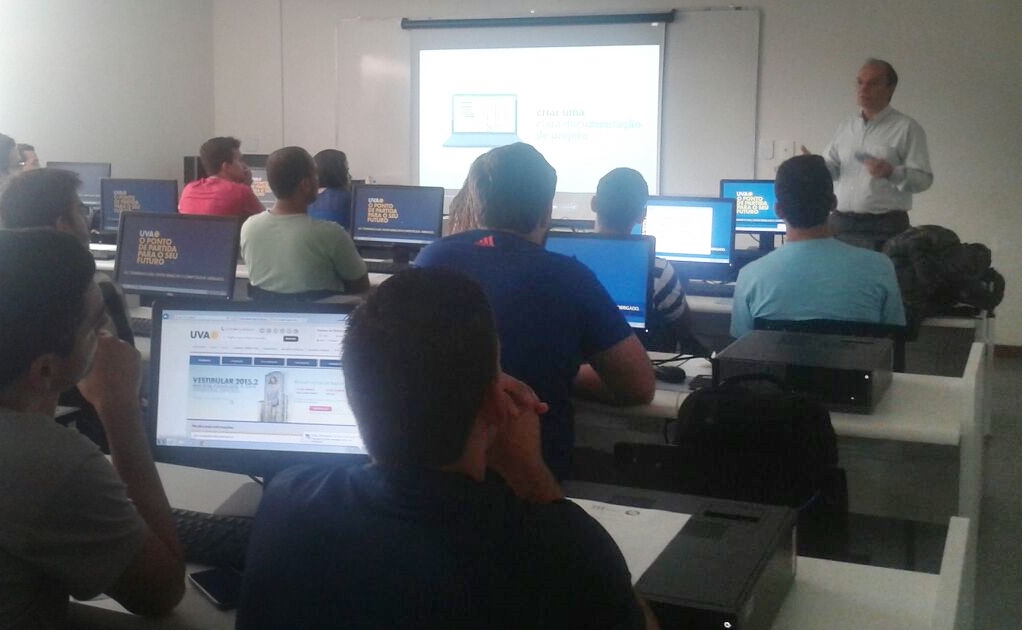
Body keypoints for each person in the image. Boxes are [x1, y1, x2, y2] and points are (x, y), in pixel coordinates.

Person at [237, 267, 659, 630]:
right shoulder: (564, 548)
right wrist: (532, 475)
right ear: (496, 404)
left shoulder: (285, 503)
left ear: (351, 396)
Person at [415, 143, 654, 479]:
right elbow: (639, 387)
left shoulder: (430, 260)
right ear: (546, 212)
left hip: (438, 473)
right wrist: (568, 372)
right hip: (532, 480)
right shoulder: (569, 277)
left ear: (477, 204)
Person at [0, 229, 184, 628]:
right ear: (45, 370)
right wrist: (121, 408)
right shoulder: (48, 461)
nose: (107, 338)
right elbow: (162, 592)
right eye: (96, 327)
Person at [0, 168, 137, 450]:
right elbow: (121, 370)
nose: (86, 219)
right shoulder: (93, 290)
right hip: (99, 437)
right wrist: (125, 415)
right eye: (81, 210)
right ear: (63, 224)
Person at [730, 154, 907, 338]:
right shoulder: (880, 267)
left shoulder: (749, 277)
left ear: (778, 210)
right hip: (855, 359)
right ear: (834, 203)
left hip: (777, 359)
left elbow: (740, 347)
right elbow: (895, 339)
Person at [815, 58, 932, 251]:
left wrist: (892, 173)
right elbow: (833, 169)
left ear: (890, 89)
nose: (863, 89)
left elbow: (923, 180)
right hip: (840, 224)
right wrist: (815, 166)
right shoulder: (846, 127)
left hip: (883, 228)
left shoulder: (907, 128)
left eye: (873, 83)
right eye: (860, 82)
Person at [591, 167, 701, 353]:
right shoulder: (659, 270)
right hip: (634, 366)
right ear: (642, 216)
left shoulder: (565, 260)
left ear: (594, 204)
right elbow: (683, 328)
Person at [240, 146, 369, 298]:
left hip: (267, 312)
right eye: (316, 175)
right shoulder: (332, 234)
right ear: (306, 184)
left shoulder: (249, 227)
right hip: (321, 313)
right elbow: (361, 284)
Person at [178, 136, 264, 217]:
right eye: (240, 160)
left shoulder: (188, 190)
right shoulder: (241, 192)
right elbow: (265, 221)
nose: (244, 165)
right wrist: (247, 186)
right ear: (226, 167)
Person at [307, 149, 352, 229]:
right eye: (347, 170)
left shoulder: (304, 198)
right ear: (338, 173)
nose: (350, 176)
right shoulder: (347, 198)